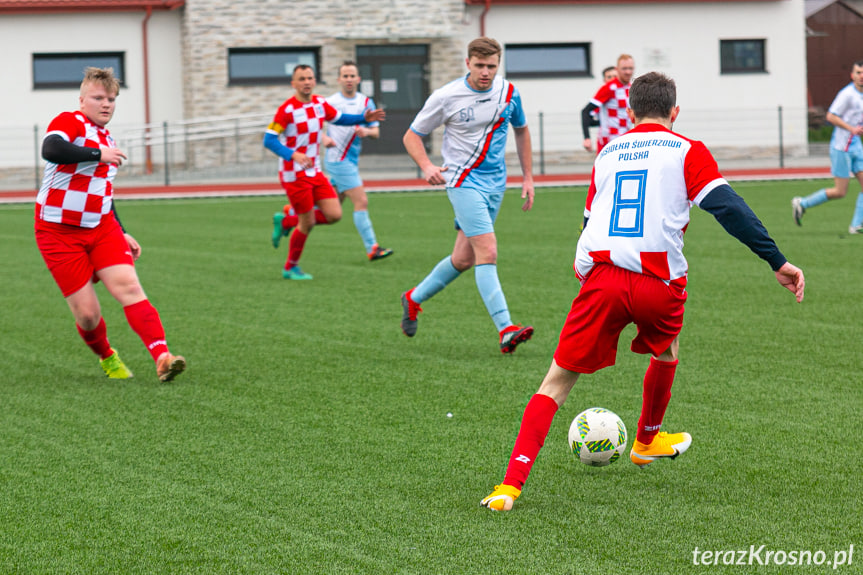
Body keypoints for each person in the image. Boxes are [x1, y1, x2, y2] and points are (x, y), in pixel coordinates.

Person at [481, 72, 805, 511]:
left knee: (555, 383)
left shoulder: (608, 153)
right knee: (666, 349)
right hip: (658, 285)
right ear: (675, 112)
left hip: (602, 278)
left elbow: (587, 223)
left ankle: (509, 486)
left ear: (630, 112)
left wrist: (590, 281)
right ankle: (646, 441)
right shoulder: (687, 149)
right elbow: (729, 208)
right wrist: (776, 260)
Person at [34, 67, 186, 382]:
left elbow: (102, 193)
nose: (106, 104)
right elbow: (51, 150)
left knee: (129, 287)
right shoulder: (70, 122)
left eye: (112, 99)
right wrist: (97, 154)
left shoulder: (107, 137)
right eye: (99, 98)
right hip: (57, 233)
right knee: (88, 315)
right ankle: (107, 356)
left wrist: (121, 228)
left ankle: (162, 357)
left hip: (102, 228)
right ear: (82, 100)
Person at [400, 37, 535, 354]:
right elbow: (412, 135)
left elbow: (522, 129)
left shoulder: (508, 93)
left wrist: (528, 177)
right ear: (467, 64)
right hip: (461, 180)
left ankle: (413, 298)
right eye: (479, 66)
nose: (486, 72)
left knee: (463, 258)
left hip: (496, 184)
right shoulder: (446, 96)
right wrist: (426, 165)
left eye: (491, 66)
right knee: (487, 250)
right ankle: (506, 329)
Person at [265, 64, 385, 280]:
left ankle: (285, 221)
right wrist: (293, 155)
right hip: (294, 174)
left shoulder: (320, 103)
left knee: (334, 215)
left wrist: (363, 119)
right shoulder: (286, 110)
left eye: (310, 78)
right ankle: (290, 267)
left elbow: (340, 118)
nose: (307, 82)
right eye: (302, 79)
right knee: (308, 222)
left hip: (315, 171)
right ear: (294, 84)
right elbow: (269, 140)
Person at [323, 61, 393, 261]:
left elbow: (376, 132)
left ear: (358, 79)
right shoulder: (330, 102)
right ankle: (373, 248)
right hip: (338, 159)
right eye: (345, 76)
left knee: (330, 211)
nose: (349, 80)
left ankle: (289, 217)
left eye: (352, 76)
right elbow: (314, 125)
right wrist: (324, 138)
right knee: (361, 201)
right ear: (339, 80)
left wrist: (367, 131)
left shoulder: (365, 103)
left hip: (350, 160)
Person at [792, 60, 863, 233]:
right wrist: (851, 128)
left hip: (855, 146)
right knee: (840, 191)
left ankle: (856, 225)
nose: (861, 76)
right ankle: (802, 203)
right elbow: (830, 116)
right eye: (858, 73)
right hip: (841, 147)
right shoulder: (847, 95)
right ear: (852, 75)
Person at [581, 54, 635, 154]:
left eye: (630, 68)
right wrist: (587, 138)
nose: (628, 72)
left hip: (624, 140)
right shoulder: (609, 88)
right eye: (624, 68)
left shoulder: (631, 89)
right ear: (617, 69)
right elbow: (586, 111)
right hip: (608, 141)